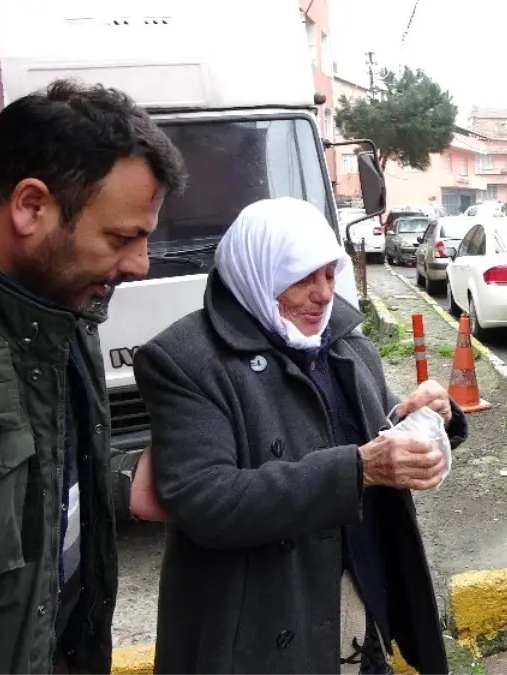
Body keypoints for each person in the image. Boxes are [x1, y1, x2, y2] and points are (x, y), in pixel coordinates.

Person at [133, 197, 463, 675]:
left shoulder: (345, 340)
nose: (324, 294)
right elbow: (204, 499)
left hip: (360, 603)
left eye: (330, 274)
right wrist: (358, 469)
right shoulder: (185, 360)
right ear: (258, 272)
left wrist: (430, 417)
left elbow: (378, 428)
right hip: (267, 624)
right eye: (303, 278)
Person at [0, 80, 186, 675]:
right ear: (31, 206)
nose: (140, 264)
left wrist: (119, 480)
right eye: (123, 237)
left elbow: (20, 481)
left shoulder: (62, 317)